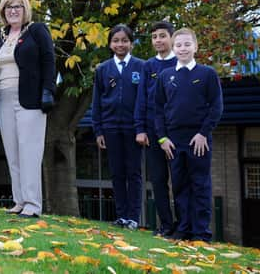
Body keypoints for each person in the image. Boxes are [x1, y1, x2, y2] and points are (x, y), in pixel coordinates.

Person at [0, 0, 56, 218]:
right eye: (8, 7)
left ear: (25, 10)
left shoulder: (36, 30)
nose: (13, 11)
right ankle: (19, 201)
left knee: (30, 152)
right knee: (12, 152)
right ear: (3, 11)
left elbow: (49, 61)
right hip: (3, 98)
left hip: (30, 99)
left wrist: (48, 90)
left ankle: (33, 205)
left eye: (18, 7)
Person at [156, 28, 223, 242]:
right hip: (173, 142)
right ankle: (183, 229)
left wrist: (204, 133)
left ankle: (201, 233)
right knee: (179, 185)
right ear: (173, 48)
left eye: (187, 44)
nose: (183, 49)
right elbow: (157, 109)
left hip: (199, 141)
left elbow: (216, 106)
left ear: (195, 47)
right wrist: (162, 138)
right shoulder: (166, 76)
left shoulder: (207, 74)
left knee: (200, 185)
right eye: (178, 45)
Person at [92, 24, 144, 230]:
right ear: (110, 44)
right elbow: (97, 101)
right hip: (110, 128)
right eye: (116, 40)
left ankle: (133, 217)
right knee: (116, 172)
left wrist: (143, 128)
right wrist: (98, 130)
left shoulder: (142, 67)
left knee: (134, 172)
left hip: (134, 128)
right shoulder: (103, 69)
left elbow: (144, 99)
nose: (120, 44)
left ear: (131, 43)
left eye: (124, 40)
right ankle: (121, 215)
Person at [134, 21, 177, 236]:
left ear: (172, 37)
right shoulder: (148, 66)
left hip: (177, 131)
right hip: (152, 133)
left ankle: (184, 225)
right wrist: (140, 129)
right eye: (154, 37)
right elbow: (141, 98)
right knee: (158, 181)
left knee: (180, 180)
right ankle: (166, 226)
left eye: (162, 36)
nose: (158, 40)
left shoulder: (180, 61)